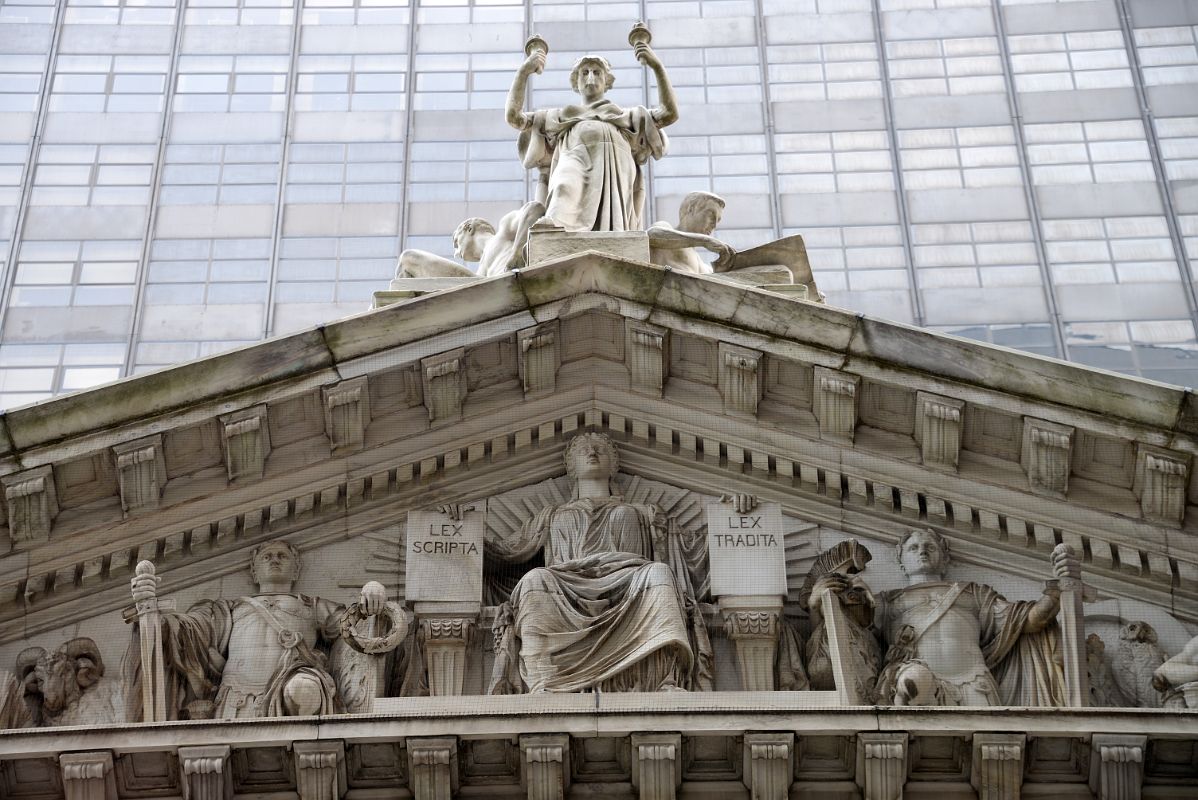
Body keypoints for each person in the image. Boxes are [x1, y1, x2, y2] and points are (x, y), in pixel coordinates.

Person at [485, 433, 720, 694]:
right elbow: (502, 554)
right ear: (571, 467)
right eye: (583, 450)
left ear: (614, 465)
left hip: (628, 583)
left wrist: (735, 513)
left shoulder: (646, 513)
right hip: (567, 586)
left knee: (659, 573)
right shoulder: (551, 516)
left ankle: (664, 678)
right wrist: (460, 527)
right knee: (534, 579)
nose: (592, 453)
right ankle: (544, 680)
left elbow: (695, 551)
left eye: (600, 449)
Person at [128, 541, 388, 719]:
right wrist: (154, 615)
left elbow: (352, 625)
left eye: (282, 556)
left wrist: (371, 594)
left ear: (296, 568)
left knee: (305, 690)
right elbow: (190, 630)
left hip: (292, 680)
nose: (274, 560)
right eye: (267, 556)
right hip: (236, 693)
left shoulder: (312, 606)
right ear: (253, 570)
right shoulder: (230, 608)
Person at [814, 528, 1072, 706]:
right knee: (912, 681)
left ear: (945, 557)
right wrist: (818, 603)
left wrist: (1060, 586)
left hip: (974, 683)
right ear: (901, 561)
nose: (922, 551)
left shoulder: (974, 594)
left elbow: (1032, 620)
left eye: (930, 547)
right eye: (913, 548)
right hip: (916, 677)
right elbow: (844, 636)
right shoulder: (886, 601)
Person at [506, 41, 678, 232]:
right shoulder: (557, 117)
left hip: (614, 171)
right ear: (576, 82)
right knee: (563, 185)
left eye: (597, 72)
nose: (590, 77)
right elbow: (515, 118)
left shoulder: (628, 116)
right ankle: (554, 230)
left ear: (607, 82)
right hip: (574, 158)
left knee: (612, 220)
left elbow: (669, 113)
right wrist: (524, 71)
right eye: (584, 72)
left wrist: (657, 66)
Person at [395, 200, 546, 280]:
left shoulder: (503, 232)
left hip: (499, 288)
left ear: (469, 228)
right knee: (407, 263)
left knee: (408, 258)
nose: (457, 253)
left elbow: (534, 209)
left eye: (456, 242)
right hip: (482, 290)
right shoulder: (480, 272)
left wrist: (518, 254)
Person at [648, 191, 736, 274]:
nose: (714, 225)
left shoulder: (703, 266)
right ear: (691, 209)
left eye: (718, 220)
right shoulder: (665, 228)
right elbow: (651, 235)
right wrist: (705, 241)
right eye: (711, 216)